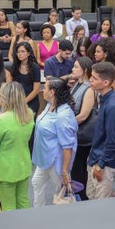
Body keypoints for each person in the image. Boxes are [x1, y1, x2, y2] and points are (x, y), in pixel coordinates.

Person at [0, 82, 34, 211]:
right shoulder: (29, 114)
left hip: (5, 169)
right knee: (23, 202)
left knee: (8, 208)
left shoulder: (1, 119)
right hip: (23, 165)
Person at [32, 77, 78, 207]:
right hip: (44, 158)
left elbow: (67, 147)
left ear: (52, 92)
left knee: (60, 193)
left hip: (56, 161)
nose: (43, 91)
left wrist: (64, 171)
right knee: (36, 182)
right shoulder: (49, 106)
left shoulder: (64, 115)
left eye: (45, 88)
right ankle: (38, 214)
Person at [86, 62, 115, 199]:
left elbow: (112, 141)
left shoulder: (113, 106)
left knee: (101, 205)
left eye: (94, 78)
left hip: (104, 163)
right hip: (96, 158)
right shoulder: (103, 99)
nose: (90, 80)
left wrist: (100, 165)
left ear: (106, 82)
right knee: (91, 196)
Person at [70, 57, 94, 200]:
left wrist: (65, 125)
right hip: (74, 133)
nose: (72, 69)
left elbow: (83, 115)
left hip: (82, 136)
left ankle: (82, 200)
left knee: (79, 171)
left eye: (76, 67)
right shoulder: (77, 84)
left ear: (84, 70)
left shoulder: (89, 89)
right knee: (74, 170)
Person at [9, 42, 40, 115]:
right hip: (17, 101)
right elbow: (11, 86)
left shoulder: (35, 67)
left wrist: (24, 102)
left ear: (28, 53)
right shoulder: (14, 66)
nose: (20, 54)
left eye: (22, 51)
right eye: (18, 52)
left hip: (31, 102)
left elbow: (36, 90)